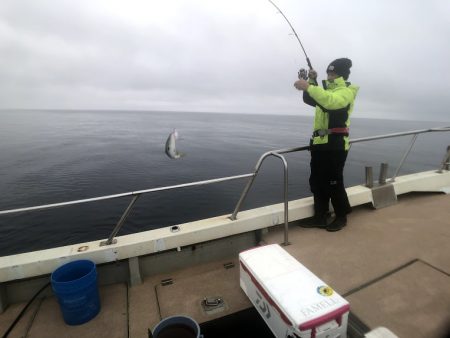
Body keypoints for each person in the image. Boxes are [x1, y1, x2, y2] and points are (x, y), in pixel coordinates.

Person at [293, 58, 359, 231]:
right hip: (320, 144)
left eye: (333, 73)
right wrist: (312, 81)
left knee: (333, 182)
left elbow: (331, 102)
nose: (329, 75)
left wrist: (309, 86)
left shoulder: (346, 92)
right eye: (328, 72)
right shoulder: (326, 92)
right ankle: (320, 216)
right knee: (317, 181)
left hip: (336, 145)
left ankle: (342, 217)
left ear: (341, 74)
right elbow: (311, 100)